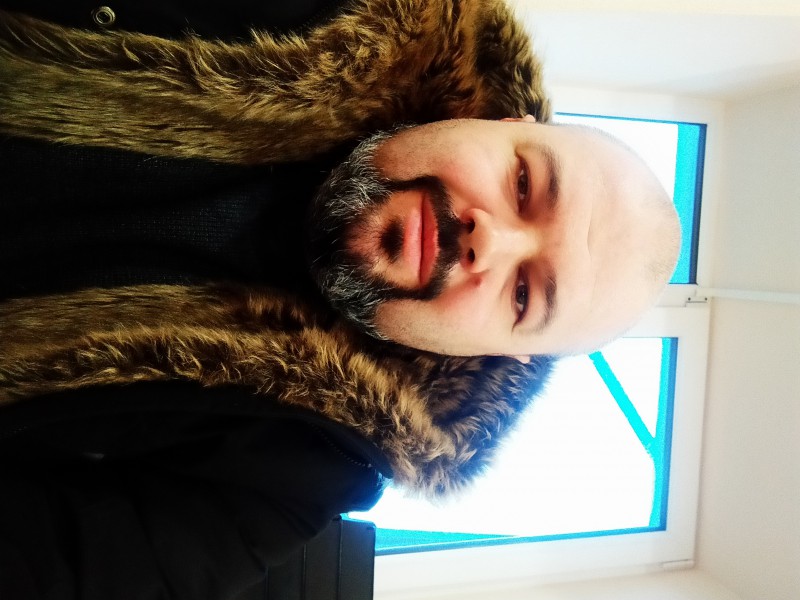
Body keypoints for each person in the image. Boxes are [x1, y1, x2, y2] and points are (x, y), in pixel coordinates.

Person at [0, 1, 678, 598]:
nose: (489, 240)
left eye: (524, 293)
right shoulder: (344, 11)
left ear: (500, 352)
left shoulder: (295, 477)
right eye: (524, 184)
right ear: (503, 120)